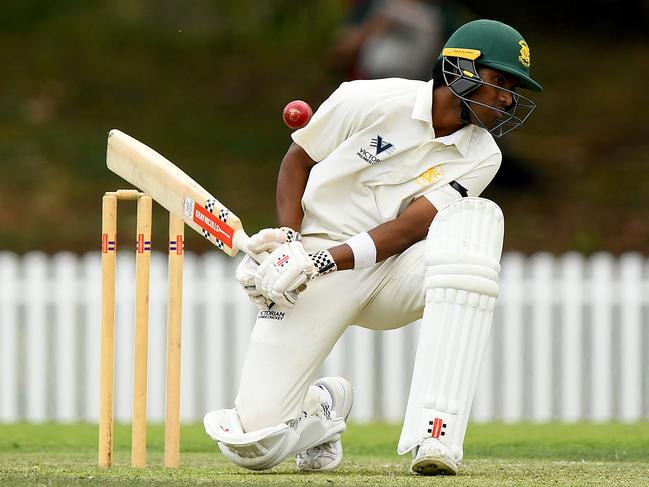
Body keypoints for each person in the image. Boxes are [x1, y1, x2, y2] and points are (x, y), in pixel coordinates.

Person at [204, 19, 542, 475]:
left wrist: (320, 262)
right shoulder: (368, 98)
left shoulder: (483, 155)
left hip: (396, 273)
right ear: (460, 72)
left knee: (471, 236)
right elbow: (297, 159)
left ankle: (435, 436)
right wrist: (289, 240)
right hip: (315, 259)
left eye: (513, 88)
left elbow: (409, 229)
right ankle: (323, 408)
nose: (506, 98)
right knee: (252, 447)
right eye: (499, 81)